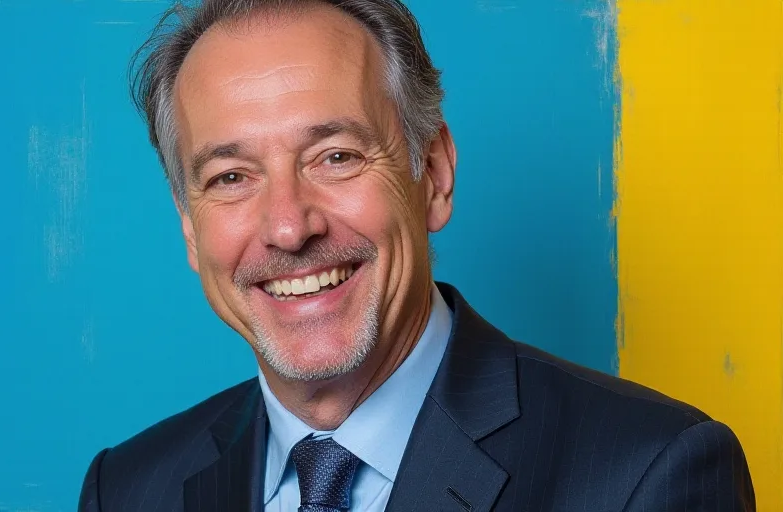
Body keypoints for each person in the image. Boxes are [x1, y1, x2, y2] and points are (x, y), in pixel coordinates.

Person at [78, 0, 755, 510]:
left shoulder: (651, 473)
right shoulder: (129, 488)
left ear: (433, 174)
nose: (288, 227)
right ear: (190, 229)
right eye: (230, 176)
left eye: (335, 157)